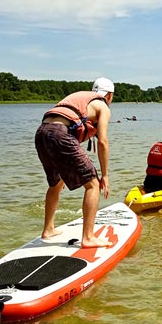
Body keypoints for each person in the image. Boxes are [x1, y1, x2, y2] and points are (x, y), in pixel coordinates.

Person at [35, 77, 114, 248]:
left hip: (41, 132)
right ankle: (88, 238)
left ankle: (48, 229)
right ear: (109, 95)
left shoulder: (81, 97)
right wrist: (105, 175)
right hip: (60, 133)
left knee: (56, 183)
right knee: (93, 184)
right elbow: (103, 142)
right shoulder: (103, 106)